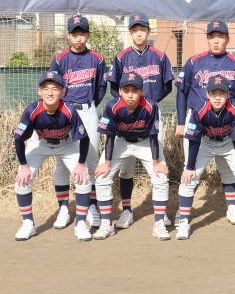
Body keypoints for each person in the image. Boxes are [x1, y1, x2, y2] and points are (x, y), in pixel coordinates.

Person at [175, 20, 235, 225]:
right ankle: (183, 211)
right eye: (212, 36)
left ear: (228, 39)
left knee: (228, 168)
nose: (216, 41)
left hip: (227, 122)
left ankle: (232, 207)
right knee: (190, 166)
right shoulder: (194, 62)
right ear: (207, 39)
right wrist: (181, 121)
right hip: (197, 121)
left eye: (220, 37)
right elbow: (182, 91)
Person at [107, 14, 174, 229]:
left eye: (142, 29)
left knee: (157, 160)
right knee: (126, 167)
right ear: (130, 32)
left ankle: (160, 212)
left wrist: (150, 104)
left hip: (151, 113)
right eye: (134, 29)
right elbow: (114, 87)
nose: (138, 33)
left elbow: (167, 85)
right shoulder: (121, 57)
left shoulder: (159, 56)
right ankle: (127, 210)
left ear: (148, 31)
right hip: (126, 113)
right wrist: (127, 104)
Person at [177, 76, 235, 239]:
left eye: (222, 93)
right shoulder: (199, 110)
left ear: (228, 95)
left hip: (228, 142)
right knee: (188, 178)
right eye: (213, 93)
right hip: (205, 143)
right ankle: (183, 222)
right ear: (207, 94)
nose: (217, 97)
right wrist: (190, 167)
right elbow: (193, 139)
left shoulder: (234, 108)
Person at [13, 72, 92, 241]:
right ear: (39, 92)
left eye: (55, 88)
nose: (50, 92)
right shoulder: (32, 110)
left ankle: (80, 223)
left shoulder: (69, 110)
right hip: (39, 143)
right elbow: (18, 139)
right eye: (45, 88)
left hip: (67, 143)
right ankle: (28, 224)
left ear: (62, 92)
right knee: (21, 181)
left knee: (84, 178)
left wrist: (80, 164)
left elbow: (85, 139)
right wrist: (24, 166)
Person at [93, 73, 171, 241]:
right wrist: (107, 163)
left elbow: (153, 135)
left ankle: (159, 224)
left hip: (145, 142)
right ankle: (106, 224)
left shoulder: (150, 106)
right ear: (120, 91)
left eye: (135, 91)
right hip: (121, 141)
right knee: (102, 177)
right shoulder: (113, 106)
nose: (130, 95)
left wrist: (156, 162)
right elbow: (109, 136)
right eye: (126, 90)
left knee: (161, 177)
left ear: (142, 91)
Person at [49, 15, 106, 230]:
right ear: (68, 35)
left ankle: (91, 206)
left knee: (91, 160)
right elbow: (53, 87)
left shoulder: (97, 59)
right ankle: (64, 208)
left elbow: (101, 88)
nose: (79, 38)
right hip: (65, 112)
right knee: (62, 162)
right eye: (75, 34)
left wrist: (89, 106)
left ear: (88, 35)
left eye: (82, 33)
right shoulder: (60, 59)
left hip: (88, 110)